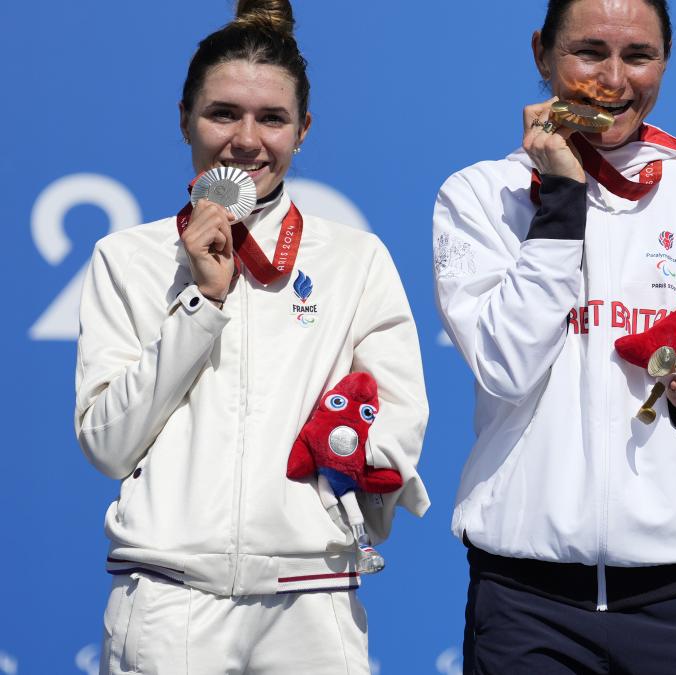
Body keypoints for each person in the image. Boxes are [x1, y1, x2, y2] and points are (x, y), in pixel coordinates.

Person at [74, 1, 429, 672]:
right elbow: (107, 442)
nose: (246, 140)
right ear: (184, 117)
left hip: (311, 601)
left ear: (304, 130)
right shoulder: (127, 257)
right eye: (222, 113)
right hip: (169, 601)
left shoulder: (355, 259)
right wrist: (202, 302)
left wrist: (346, 462)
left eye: (272, 119)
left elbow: (399, 421)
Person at [432, 0, 676, 672]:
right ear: (542, 53)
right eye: (589, 51)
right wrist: (559, 203)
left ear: (665, 62)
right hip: (528, 603)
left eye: (638, 56)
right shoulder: (482, 195)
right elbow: (506, 367)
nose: (613, 80)